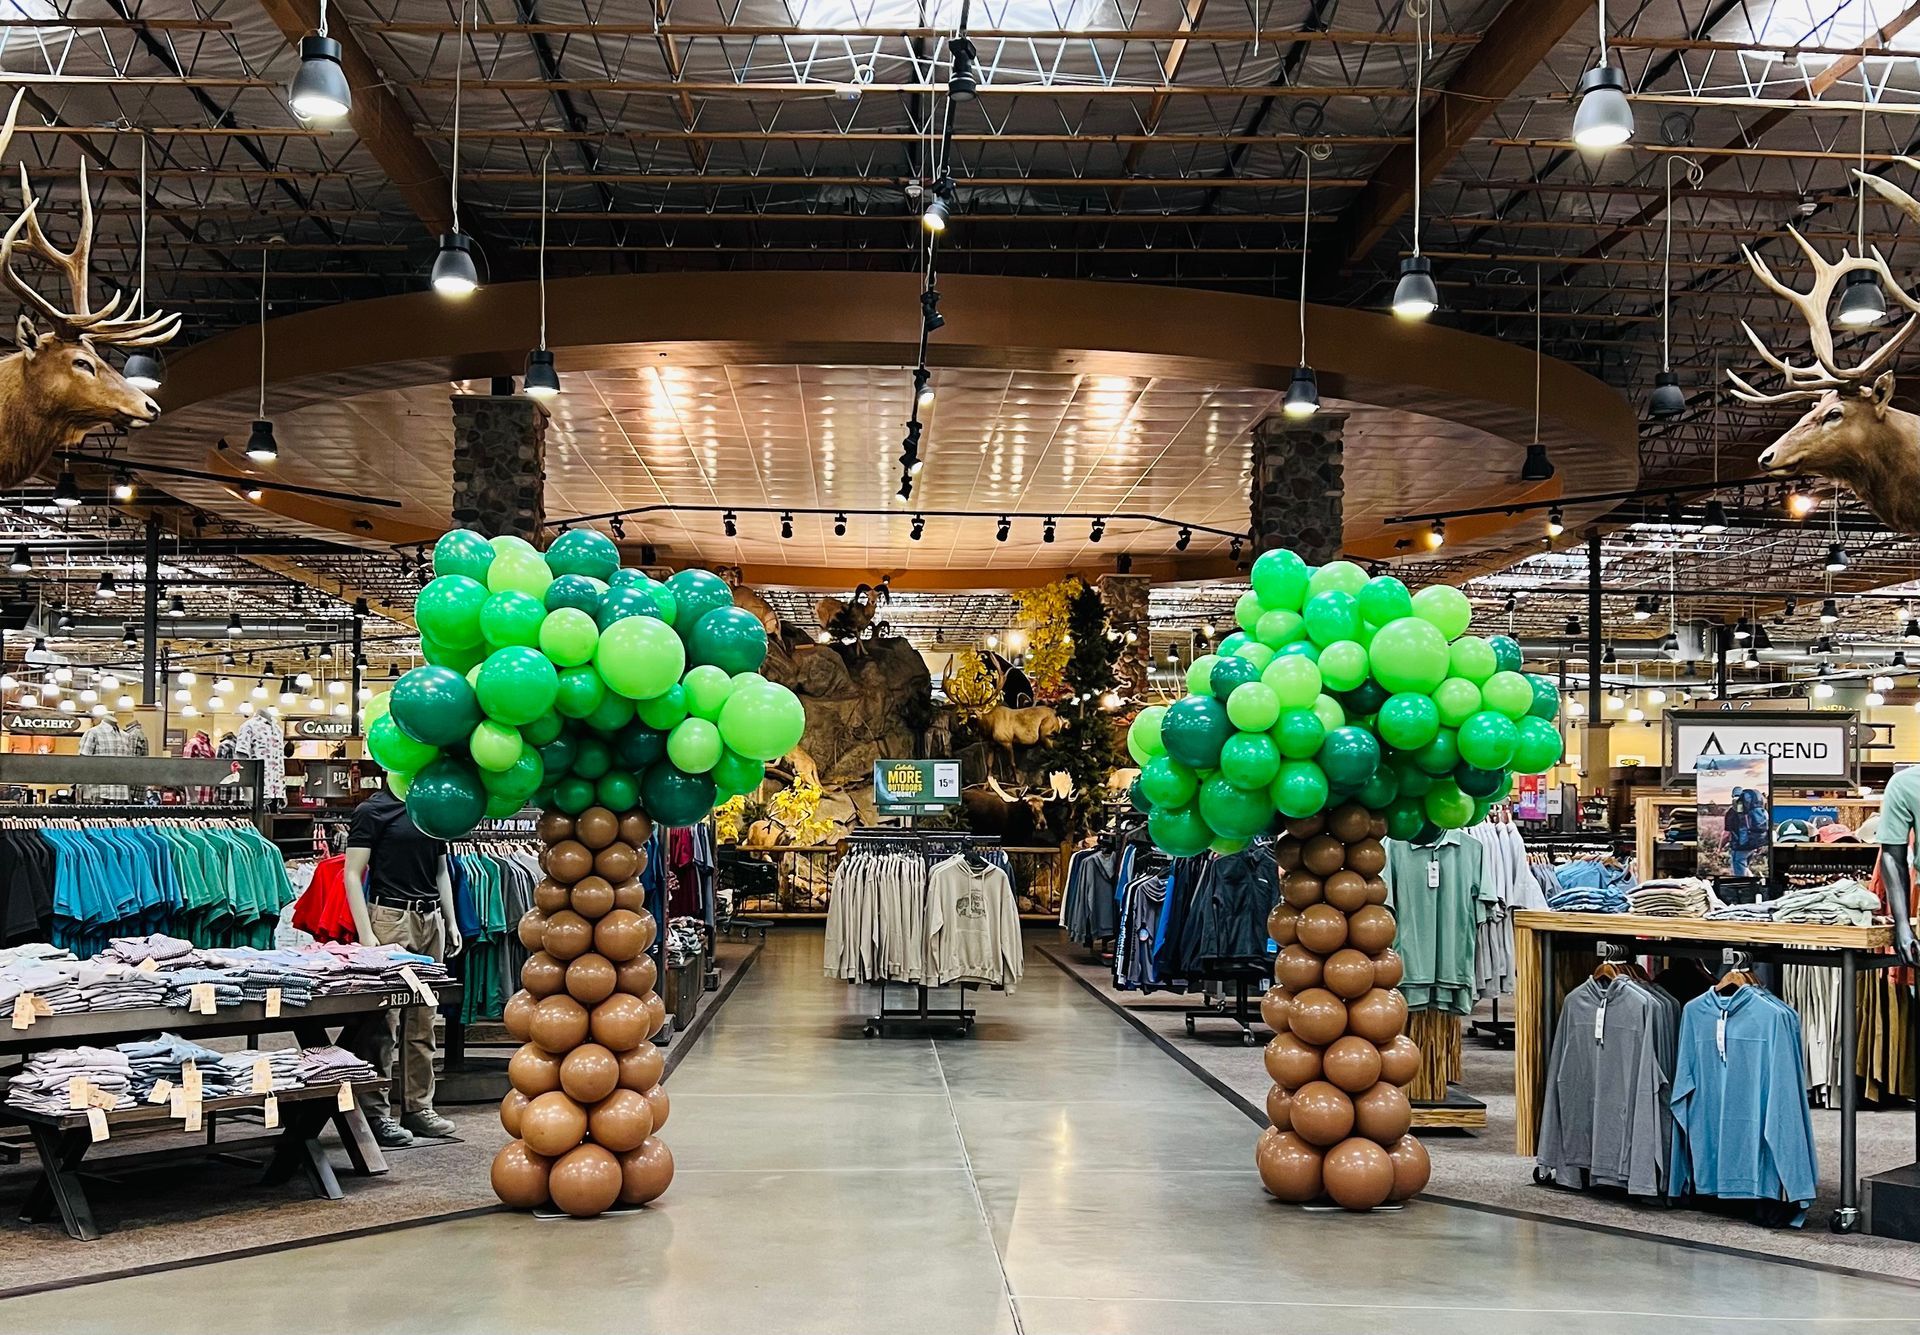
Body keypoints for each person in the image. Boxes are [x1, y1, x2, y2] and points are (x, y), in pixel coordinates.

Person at [343, 783, 462, 1145]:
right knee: (384, 1020)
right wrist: (366, 932)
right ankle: (376, 1113)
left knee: (424, 1019)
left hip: (430, 920)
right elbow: (352, 873)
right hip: (390, 918)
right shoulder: (373, 811)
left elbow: (441, 870)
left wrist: (450, 920)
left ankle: (418, 1108)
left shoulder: (431, 806)